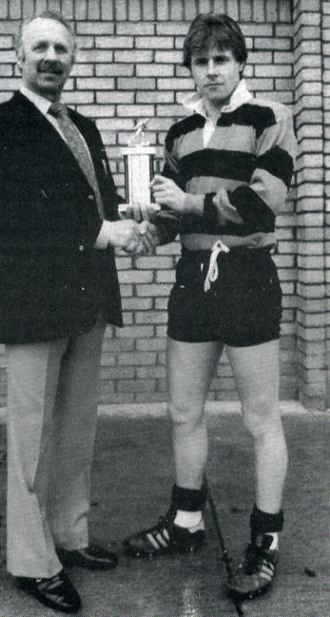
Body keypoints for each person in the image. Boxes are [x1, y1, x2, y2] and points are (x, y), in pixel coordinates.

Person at [0, 11, 155, 614]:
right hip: (33, 299)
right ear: (18, 57)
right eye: (40, 47)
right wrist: (106, 233)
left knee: (77, 429)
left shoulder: (85, 127)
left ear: (72, 59)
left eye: (61, 49)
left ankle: (70, 536)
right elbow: (22, 209)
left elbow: (104, 203)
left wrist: (142, 224)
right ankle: (32, 562)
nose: (51, 57)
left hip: (89, 298)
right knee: (33, 435)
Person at [123, 13, 297, 602]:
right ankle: (187, 522)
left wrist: (189, 205)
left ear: (241, 62)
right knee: (182, 411)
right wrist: (149, 230)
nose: (212, 70)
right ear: (191, 69)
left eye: (222, 59)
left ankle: (265, 541)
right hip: (194, 277)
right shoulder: (180, 133)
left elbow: (264, 204)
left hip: (247, 275)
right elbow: (173, 216)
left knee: (260, 418)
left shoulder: (271, 118)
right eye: (201, 61)